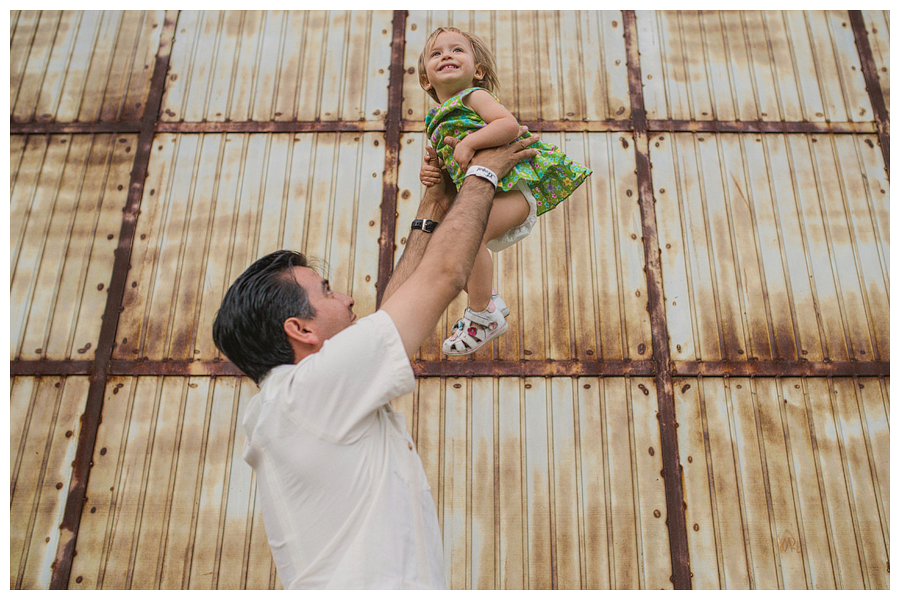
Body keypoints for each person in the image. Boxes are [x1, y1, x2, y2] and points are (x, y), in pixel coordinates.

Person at [211, 131, 540, 589]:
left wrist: (432, 205)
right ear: (300, 329)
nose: (346, 299)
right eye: (326, 291)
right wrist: (484, 173)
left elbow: (393, 308)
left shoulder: (297, 401)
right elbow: (444, 277)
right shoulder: (309, 392)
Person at [417, 26, 592, 355]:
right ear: (426, 79)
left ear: (477, 71)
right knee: (451, 240)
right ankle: (489, 300)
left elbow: (507, 125)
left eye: (457, 50)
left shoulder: (473, 97)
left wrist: (469, 142)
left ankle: (483, 314)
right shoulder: (434, 121)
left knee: (467, 235)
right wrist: (431, 172)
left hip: (511, 191)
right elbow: (446, 172)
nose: (447, 56)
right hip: (483, 197)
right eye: (436, 53)